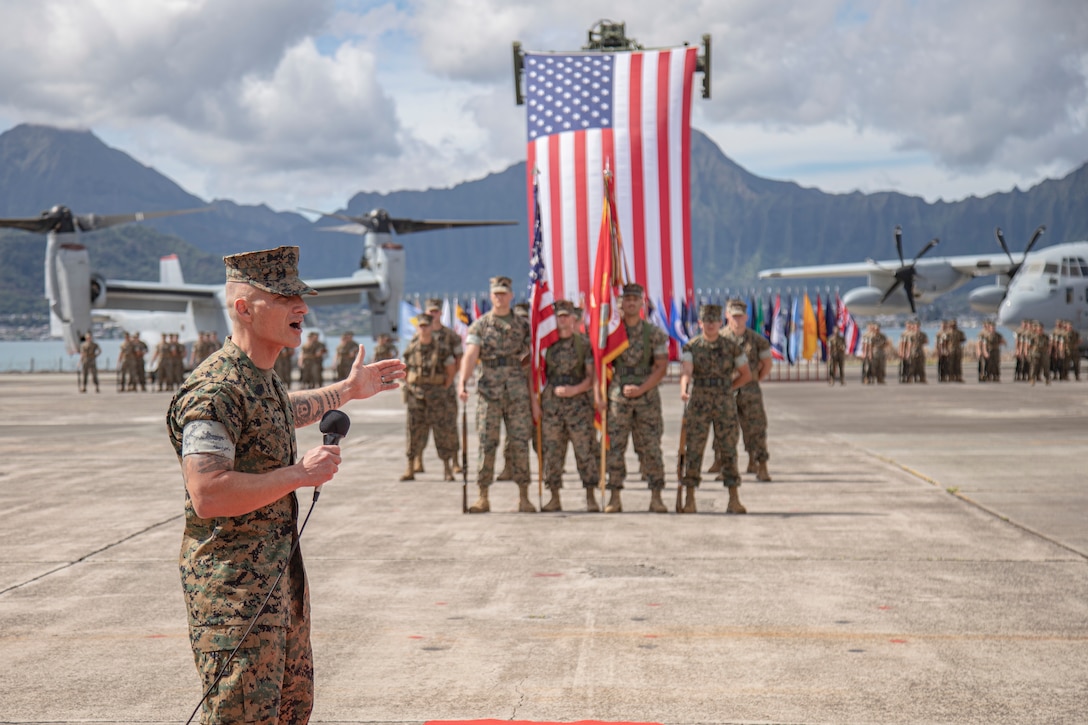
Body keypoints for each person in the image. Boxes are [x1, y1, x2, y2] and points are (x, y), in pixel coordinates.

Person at [167, 246, 405, 723]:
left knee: (291, 713)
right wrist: (301, 475)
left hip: (279, 586)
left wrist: (349, 391)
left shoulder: (261, 380)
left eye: (301, 297)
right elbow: (209, 492)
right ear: (244, 308)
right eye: (284, 298)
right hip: (234, 596)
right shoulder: (214, 391)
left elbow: (284, 409)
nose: (302, 308)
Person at [458, 276, 535, 513]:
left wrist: (534, 396)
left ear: (511, 295)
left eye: (504, 293)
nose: (500, 297)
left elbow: (532, 360)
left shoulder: (523, 326)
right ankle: (483, 496)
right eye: (496, 293)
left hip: (517, 392)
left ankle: (524, 496)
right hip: (488, 392)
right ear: (491, 296)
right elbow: (471, 355)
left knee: (520, 444)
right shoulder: (480, 325)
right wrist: (462, 382)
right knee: (486, 443)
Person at [603, 283, 669, 514]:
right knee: (615, 448)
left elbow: (661, 367)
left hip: (647, 398)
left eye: (634, 299)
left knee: (650, 447)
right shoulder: (611, 333)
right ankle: (614, 496)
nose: (630, 303)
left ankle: (656, 496)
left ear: (641, 303)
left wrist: (642, 389)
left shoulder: (654, 334)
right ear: (620, 303)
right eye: (626, 299)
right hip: (618, 398)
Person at [679, 304, 751, 514]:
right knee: (694, 449)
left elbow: (745, 374)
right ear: (700, 323)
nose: (710, 325)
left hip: (724, 403)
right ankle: (690, 498)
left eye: (714, 321)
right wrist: (684, 389)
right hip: (699, 401)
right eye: (706, 321)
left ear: (721, 323)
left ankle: (734, 499)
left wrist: (728, 388)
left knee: (728, 449)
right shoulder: (692, 347)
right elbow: (687, 371)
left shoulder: (731, 347)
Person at [539, 299, 600, 512]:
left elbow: (591, 376)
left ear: (573, 318)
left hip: (578, 407)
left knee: (585, 451)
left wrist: (575, 390)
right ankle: (554, 496)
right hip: (553, 407)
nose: (562, 319)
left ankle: (591, 496)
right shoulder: (546, 345)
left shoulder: (583, 344)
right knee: (553, 452)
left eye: (566, 315)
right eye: (559, 316)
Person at [400, 315, 457, 481]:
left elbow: (451, 370)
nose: (424, 329)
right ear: (418, 327)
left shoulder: (442, 348)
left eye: (426, 326)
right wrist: (410, 384)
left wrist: (443, 387)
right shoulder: (411, 348)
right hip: (416, 397)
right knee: (413, 432)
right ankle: (410, 467)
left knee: (442, 432)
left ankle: (447, 469)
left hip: (437, 397)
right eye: (421, 326)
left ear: (432, 327)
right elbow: (404, 369)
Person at [722, 298, 773, 482]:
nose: (737, 319)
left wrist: (755, 378)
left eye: (740, 316)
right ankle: (728, 467)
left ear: (746, 317)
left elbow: (767, 364)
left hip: (750, 392)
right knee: (727, 430)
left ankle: (761, 465)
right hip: (728, 392)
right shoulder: (721, 339)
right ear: (727, 316)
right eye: (734, 316)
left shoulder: (757, 340)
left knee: (757, 429)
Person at [418, 298, 463, 477]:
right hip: (425, 390)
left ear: (440, 313)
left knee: (449, 426)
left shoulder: (451, 336)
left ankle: (455, 460)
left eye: (436, 312)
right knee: (420, 426)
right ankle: (417, 460)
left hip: (446, 389)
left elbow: (459, 359)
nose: (433, 315)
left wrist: (450, 379)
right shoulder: (420, 334)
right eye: (430, 312)